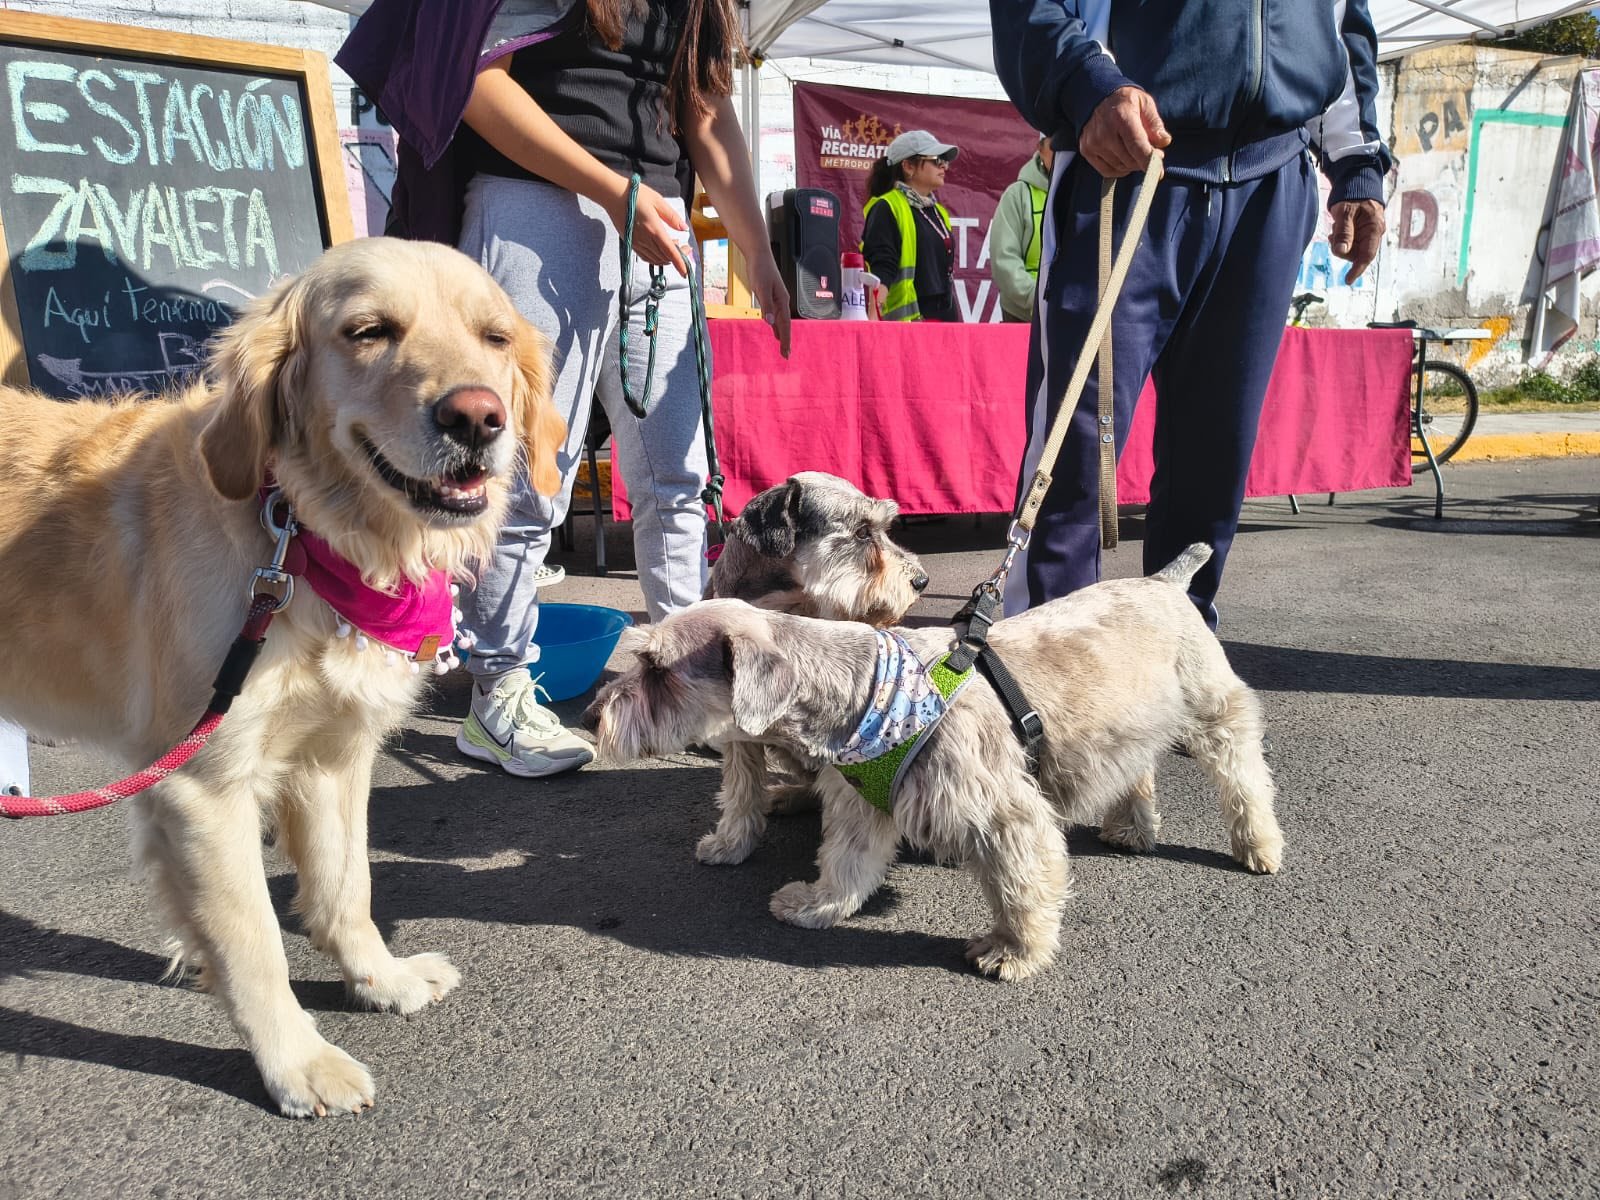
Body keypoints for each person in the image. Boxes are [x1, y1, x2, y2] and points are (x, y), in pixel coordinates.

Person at [339, 0, 791, 778]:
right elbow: (477, 84)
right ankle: (498, 690)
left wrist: (759, 248)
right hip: (537, 201)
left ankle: (685, 682)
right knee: (518, 472)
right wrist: (615, 192)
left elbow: (707, 110)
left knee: (676, 475)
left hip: (660, 217)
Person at [990, 0, 1390, 629]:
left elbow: (1343, 18)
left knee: (1214, 462)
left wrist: (1357, 160)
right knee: (1074, 463)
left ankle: (1175, 673)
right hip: (1123, 157)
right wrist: (1084, 82)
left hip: (1273, 175)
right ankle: (1039, 682)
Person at [861, 130, 960, 322]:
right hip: (908, 326)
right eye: (936, 160)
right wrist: (873, 323)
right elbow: (882, 268)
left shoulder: (939, 212)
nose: (944, 166)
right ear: (908, 166)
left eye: (944, 161)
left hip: (944, 322)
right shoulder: (887, 207)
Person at [990, 135, 1054, 323]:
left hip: (1069, 313)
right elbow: (1004, 259)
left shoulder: (1081, 194)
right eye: (1054, 144)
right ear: (1040, 149)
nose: (1061, 151)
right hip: (1022, 315)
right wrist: (1038, 297)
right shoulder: (1018, 195)